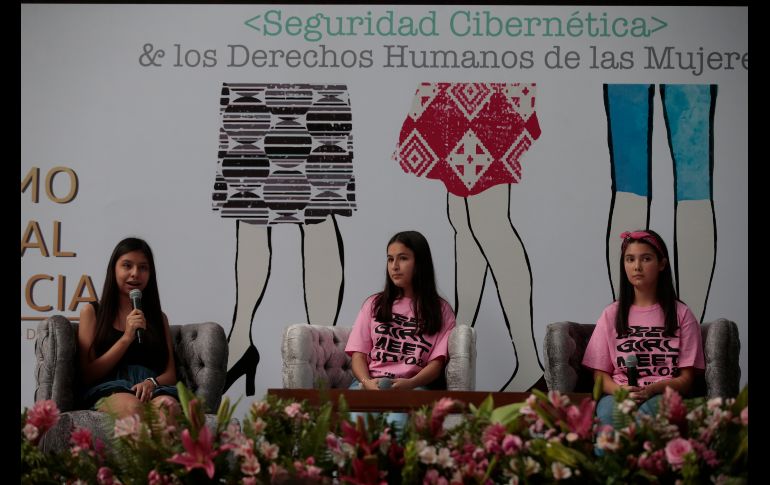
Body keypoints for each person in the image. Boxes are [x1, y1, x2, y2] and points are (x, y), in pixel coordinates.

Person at [583, 229, 705, 427]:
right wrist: (620, 391)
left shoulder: (682, 314)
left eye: (646, 259)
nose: (637, 266)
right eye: (630, 259)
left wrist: (653, 389)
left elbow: (686, 380)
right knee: (609, 417)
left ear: (662, 264)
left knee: (648, 418)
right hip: (619, 393)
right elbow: (600, 375)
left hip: (663, 393)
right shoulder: (611, 314)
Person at [345, 230, 456, 431]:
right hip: (370, 383)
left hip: (413, 386)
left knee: (395, 432)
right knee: (357, 433)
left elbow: (436, 364)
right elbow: (358, 355)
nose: (394, 266)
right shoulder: (374, 304)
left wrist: (410, 384)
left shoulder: (442, 311)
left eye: (403, 258)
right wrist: (366, 382)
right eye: (390, 259)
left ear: (420, 262)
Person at [77, 237, 180, 419]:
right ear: (114, 269)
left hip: (152, 389)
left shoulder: (159, 317)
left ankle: (162, 449)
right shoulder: (92, 312)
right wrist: (126, 338)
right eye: (127, 265)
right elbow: (87, 374)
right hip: (109, 388)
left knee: (168, 407)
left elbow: (170, 374)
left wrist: (151, 382)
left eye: (143, 267)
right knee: (133, 409)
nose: (135, 273)